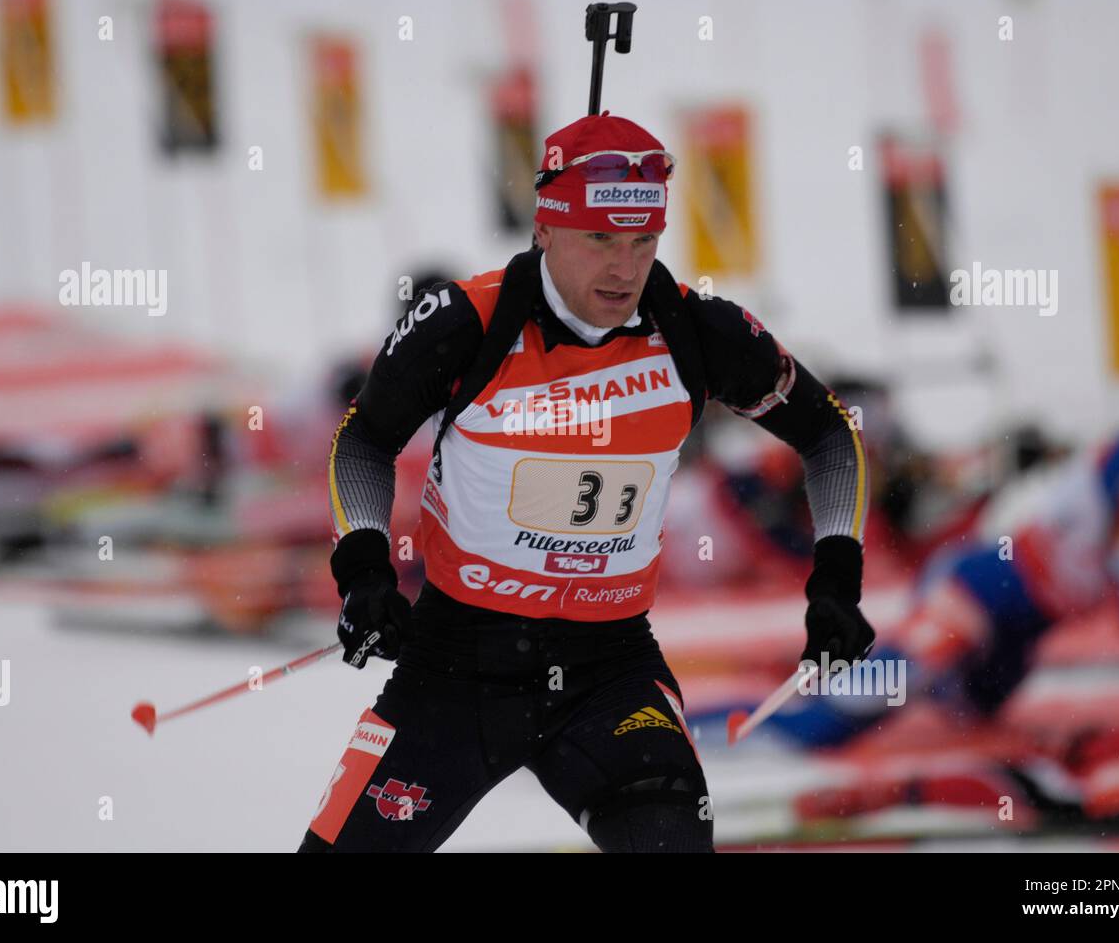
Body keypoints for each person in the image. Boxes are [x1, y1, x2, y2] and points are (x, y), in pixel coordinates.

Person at [298, 112, 872, 852]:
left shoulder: (697, 332)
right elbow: (363, 441)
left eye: (643, 242)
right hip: (454, 669)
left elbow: (830, 434)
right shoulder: (465, 323)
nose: (624, 269)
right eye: (600, 239)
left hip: (610, 673)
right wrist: (364, 570)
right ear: (545, 229)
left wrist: (836, 579)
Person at [773, 342, 1119, 825]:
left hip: (1013, 648)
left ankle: (826, 693)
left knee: (971, 722)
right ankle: (719, 733)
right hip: (974, 594)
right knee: (839, 716)